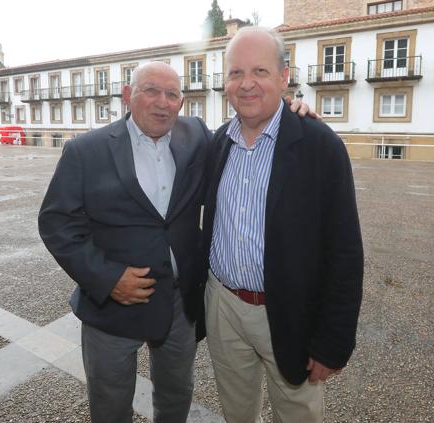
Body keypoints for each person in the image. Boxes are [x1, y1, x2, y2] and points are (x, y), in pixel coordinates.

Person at [38, 60, 313, 422]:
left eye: (171, 94)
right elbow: (57, 223)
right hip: (112, 307)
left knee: (175, 395)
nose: (162, 102)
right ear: (127, 96)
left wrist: (291, 112)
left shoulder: (197, 136)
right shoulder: (85, 151)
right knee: (109, 401)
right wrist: (107, 279)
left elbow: (249, 137)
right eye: (151, 90)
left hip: (179, 302)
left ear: (181, 103)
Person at [201, 27, 364, 422]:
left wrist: (332, 343)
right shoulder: (217, 142)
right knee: (236, 411)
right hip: (223, 304)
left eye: (259, 71)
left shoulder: (320, 146)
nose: (247, 84)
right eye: (236, 73)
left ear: (284, 77)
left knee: (297, 414)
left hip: (291, 310)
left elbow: (344, 252)